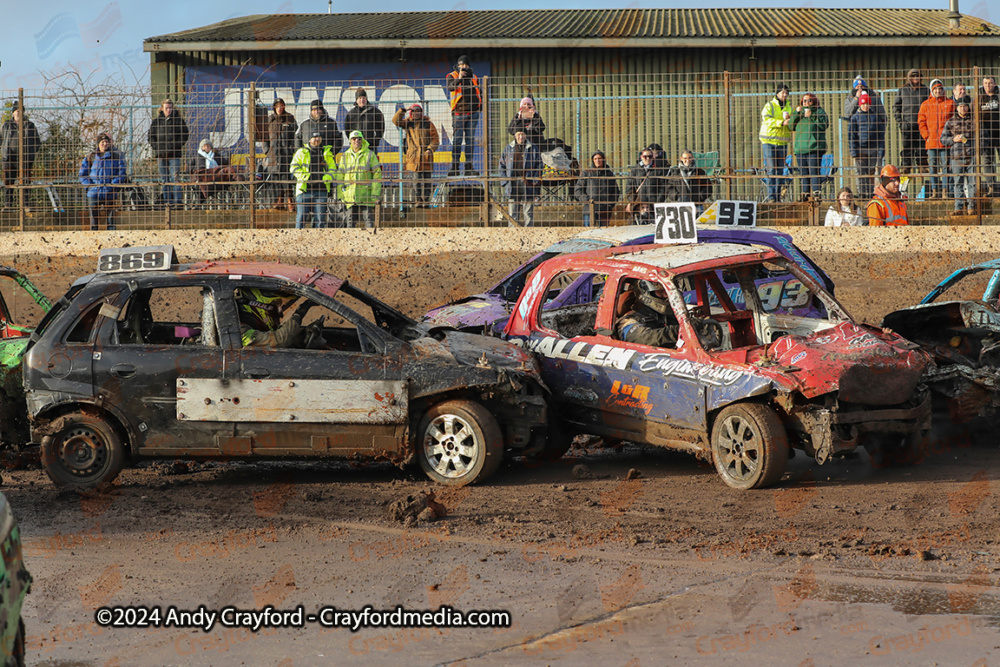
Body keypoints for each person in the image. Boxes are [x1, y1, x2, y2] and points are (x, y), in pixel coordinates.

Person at [391, 103, 439, 208]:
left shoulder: (428, 123)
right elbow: (395, 121)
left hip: (426, 156)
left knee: (427, 180)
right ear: (411, 113)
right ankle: (418, 200)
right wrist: (403, 110)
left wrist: (430, 149)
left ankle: (426, 201)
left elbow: (435, 139)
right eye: (414, 111)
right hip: (413, 156)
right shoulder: (408, 123)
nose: (416, 113)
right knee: (416, 180)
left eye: (418, 111)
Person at [237, 288, 315, 348]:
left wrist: (303, 335)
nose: (280, 310)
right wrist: (299, 314)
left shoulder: (255, 323)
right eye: (275, 304)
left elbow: (276, 332)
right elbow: (278, 340)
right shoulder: (238, 330)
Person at [78, 132, 126, 231]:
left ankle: (111, 235)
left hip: (110, 191)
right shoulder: (90, 157)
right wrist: (90, 186)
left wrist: (112, 186)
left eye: (106, 142)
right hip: (94, 192)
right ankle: (94, 236)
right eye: (102, 142)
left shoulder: (116, 157)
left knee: (111, 218)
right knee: (94, 220)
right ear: (98, 143)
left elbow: (121, 174)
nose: (104, 144)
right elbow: (83, 175)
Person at [147, 99, 190, 210]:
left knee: (175, 178)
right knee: (164, 179)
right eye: (166, 108)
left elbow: (185, 135)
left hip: (174, 154)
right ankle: (167, 202)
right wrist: (157, 147)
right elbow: (151, 136)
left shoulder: (178, 121)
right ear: (162, 108)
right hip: (161, 155)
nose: (169, 110)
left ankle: (177, 202)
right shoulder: (157, 122)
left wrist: (176, 145)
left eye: (170, 108)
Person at [337, 130, 382, 228]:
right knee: (350, 221)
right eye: (354, 139)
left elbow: (377, 175)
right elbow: (340, 176)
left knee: (368, 219)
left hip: (366, 194)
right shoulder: (345, 156)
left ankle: (371, 241)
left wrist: (375, 193)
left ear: (362, 140)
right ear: (350, 141)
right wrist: (341, 194)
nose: (356, 141)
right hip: (350, 195)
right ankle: (350, 242)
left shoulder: (369, 154)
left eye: (359, 139)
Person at [446, 55, 482, 176]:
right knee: (457, 141)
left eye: (466, 65)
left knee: (470, 141)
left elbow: (479, 92)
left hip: (473, 113)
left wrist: (479, 107)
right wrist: (460, 77)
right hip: (459, 113)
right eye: (462, 65)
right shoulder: (452, 75)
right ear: (458, 65)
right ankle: (455, 168)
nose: (465, 67)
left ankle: (468, 167)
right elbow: (450, 87)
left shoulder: (474, 77)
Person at [291, 131, 337, 228]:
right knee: (301, 218)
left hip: (321, 190)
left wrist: (326, 178)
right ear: (309, 139)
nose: (317, 139)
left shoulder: (326, 152)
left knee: (320, 219)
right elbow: (293, 167)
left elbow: (333, 169)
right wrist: (304, 177)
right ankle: (297, 240)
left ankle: (319, 241)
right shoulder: (301, 152)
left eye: (319, 137)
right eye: (314, 137)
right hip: (304, 190)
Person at [918, 79, 955, 199]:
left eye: (940, 88)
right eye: (935, 89)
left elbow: (954, 121)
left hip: (945, 142)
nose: (938, 91)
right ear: (931, 90)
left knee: (945, 166)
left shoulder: (950, 103)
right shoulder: (925, 105)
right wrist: (926, 136)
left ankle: (945, 191)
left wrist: (951, 136)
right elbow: (921, 121)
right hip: (931, 141)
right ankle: (934, 191)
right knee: (932, 166)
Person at [616, 281, 681, 348]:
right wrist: (679, 331)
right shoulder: (628, 321)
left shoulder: (671, 311)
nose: (666, 294)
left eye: (668, 290)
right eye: (660, 291)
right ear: (645, 291)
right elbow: (645, 338)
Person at [1, 101, 41, 209]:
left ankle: (26, 205)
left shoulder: (30, 125)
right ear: (13, 113)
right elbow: (1, 140)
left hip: (25, 158)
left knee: (25, 182)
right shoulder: (6, 125)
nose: (18, 113)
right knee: (9, 182)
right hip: (9, 158)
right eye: (16, 111)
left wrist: (31, 152)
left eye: (20, 111)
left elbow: (37, 142)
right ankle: (8, 206)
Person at [789, 93, 829, 199]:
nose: (807, 103)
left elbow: (824, 125)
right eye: (805, 101)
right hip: (800, 148)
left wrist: (813, 116)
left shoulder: (819, 111)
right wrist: (797, 113)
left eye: (809, 100)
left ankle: (816, 192)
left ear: (814, 101)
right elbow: (790, 126)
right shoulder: (799, 112)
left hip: (814, 147)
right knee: (803, 172)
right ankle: (805, 193)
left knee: (814, 170)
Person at [848, 92, 886, 202]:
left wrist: (880, 151)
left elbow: (881, 135)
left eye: (867, 104)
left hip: (873, 149)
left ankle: (870, 193)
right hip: (861, 149)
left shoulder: (875, 117)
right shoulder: (855, 118)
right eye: (863, 104)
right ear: (860, 104)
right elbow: (852, 136)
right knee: (860, 172)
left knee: (871, 171)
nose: (865, 106)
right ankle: (862, 193)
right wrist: (854, 151)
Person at [498, 129, 541, 226]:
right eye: (518, 134)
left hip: (528, 182)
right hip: (513, 182)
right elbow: (502, 166)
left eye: (523, 134)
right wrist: (505, 182)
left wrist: (534, 180)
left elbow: (539, 165)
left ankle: (529, 232)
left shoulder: (533, 148)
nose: (521, 137)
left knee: (528, 212)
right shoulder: (508, 148)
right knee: (513, 212)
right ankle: (513, 233)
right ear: (514, 135)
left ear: (526, 135)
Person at [941, 101, 977, 215]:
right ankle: (958, 207)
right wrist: (952, 140)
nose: (963, 109)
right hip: (956, 156)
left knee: (973, 182)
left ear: (968, 107)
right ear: (957, 108)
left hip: (971, 156)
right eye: (960, 106)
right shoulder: (951, 122)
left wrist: (976, 147)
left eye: (965, 106)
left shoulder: (974, 121)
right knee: (958, 183)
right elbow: (942, 139)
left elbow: (983, 137)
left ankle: (972, 206)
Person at [759, 83, 792, 202]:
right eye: (783, 92)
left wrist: (790, 122)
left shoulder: (788, 107)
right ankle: (771, 197)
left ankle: (778, 196)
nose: (785, 95)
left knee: (780, 170)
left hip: (782, 142)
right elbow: (767, 120)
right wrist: (781, 123)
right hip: (769, 140)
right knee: (772, 169)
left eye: (786, 93)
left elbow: (791, 121)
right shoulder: (770, 105)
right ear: (777, 93)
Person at [892, 69, 929, 174]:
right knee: (907, 145)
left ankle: (922, 165)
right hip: (907, 124)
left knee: (922, 145)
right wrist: (900, 121)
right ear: (909, 78)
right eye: (913, 76)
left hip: (922, 124)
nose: (915, 78)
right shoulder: (903, 90)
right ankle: (906, 166)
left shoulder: (925, 90)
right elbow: (896, 106)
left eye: (917, 76)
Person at [188, 139, 245, 206]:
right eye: (204, 146)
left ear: (211, 147)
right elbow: (189, 168)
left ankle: (199, 204)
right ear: (201, 147)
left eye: (208, 146)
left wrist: (228, 158)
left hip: (213, 178)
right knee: (200, 185)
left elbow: (225, 164)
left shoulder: (216, 156)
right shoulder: (197, 156)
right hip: (201, 178)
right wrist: (194, 171)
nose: (206, 148)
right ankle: (198, 204)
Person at [266, 98, 298, 210]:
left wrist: (291, 149)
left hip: (286, 154)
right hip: (273, 155)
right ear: (274, 107)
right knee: (275, 178)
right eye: (277, 106)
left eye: (281, 106)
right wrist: (267, 150)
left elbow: (296, 136)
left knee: (286, 178)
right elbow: (264, 137)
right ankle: (278, 201)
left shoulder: (290, 118)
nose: (279, 108)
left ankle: (290, 200)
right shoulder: (270, 120)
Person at [574, 150, 620, 227]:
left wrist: (610, 204)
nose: (597, 160)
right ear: (593, 160)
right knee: (588, 232)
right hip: (589, 209)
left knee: (604, 232)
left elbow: (615, 191)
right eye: (595, 159)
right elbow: (578, 190)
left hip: (605, 210)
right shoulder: (587, 173)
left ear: (603, 160)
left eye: (599, 158)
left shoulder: (609, 174)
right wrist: (587, 200)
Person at [625, 146, 669, 221]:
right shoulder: (635, 171)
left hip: (653, 206)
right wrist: (633, 201)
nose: (648, 158)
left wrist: (658, 201)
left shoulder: (658, 171)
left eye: (650, 156)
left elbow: (663, 188)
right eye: (645, 156)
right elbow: (629, 188)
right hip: (638, 206)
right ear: (641, 157)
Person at [978, 76, 1000, 196]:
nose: (988, 85)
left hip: (999, 134)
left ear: (995, 84)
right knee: (987, 161)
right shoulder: (978, 98)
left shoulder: (999, 96)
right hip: (985, 135)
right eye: (986, 83)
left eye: (990, 83)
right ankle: (991, 187)